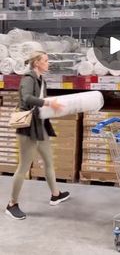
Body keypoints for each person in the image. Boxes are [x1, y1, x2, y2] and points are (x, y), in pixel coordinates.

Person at [6, 51, 70, 220]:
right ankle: (12, 204)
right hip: (28, 129)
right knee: (24, 167)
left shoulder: (41, 79)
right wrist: (48, 102)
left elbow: (39, 101)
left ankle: (55, 194)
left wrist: (51, 105)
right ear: (37, 63)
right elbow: (27, 98)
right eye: (46, 61)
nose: (48, 63)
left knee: (49, 161)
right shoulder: (28, 78)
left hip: (40, 127)